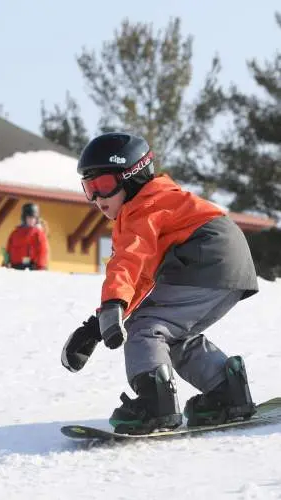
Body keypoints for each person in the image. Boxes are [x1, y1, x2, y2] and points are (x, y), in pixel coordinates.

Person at [61, 132, 258, 435]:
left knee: (145, 328)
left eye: (104, 185)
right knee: (170, 334)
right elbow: (140, 277)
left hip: (207, 254)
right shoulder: (159, 202)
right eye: (89, 188)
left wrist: (113, 304)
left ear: (132, 177)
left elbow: (128, 261)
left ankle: (156, 405)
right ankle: (226, 390)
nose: (98, 199)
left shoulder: (142, 207)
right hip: (226, 259)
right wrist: (95, 327)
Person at [3, 203, 49, 270]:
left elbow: (43, 250)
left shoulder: (38, 233)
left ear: (36, 219)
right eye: (29, 217)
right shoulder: (15, 233)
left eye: (34, 218)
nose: (31, 220)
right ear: (24, 218)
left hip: (32, 267)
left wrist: (40, 266)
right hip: (15, 267)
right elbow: (8, 249)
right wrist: (5, 262)